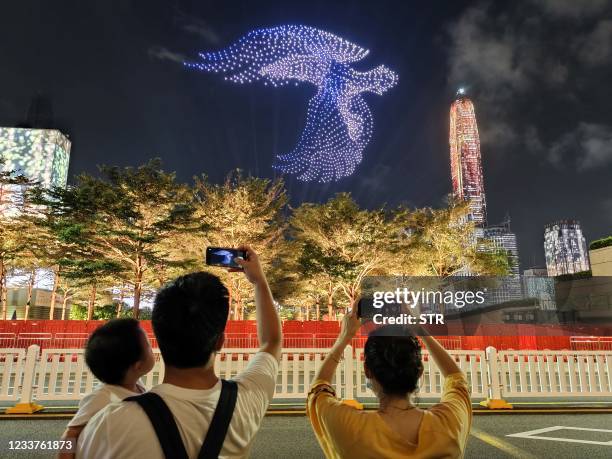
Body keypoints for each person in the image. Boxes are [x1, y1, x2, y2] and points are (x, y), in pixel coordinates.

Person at [76, 246, 282, 459]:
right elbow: (272, 342)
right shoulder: (248, 400)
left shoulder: (109, 425)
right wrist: (258, 280)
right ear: (220, 342)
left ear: (158, 339)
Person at [307, 308, 472, 458]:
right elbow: (456, 379)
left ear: (368, 370)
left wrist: (345, 336)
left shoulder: (348, 427)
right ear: (420, 370)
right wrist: (420, 329)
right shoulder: (449, 423)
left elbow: (319, 390)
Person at [59, 318, 155, 459]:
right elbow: (70, 433)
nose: (152, 349)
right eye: (149, 346)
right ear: (138, 365)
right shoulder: (102, 397)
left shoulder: (136, 385)